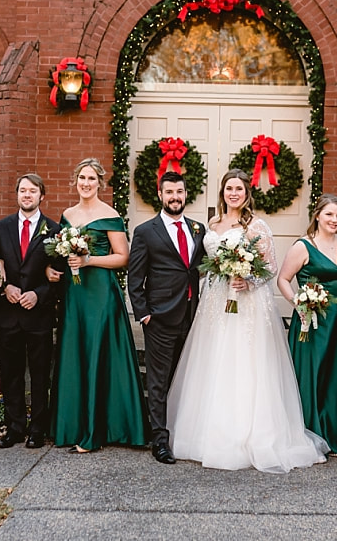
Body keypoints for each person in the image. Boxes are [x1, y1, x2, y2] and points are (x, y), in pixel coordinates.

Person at [166, 169, 327, 473]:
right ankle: (206, 432)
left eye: (239, 188)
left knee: (244, 361)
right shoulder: (211, 224)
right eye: (229, 188)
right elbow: (205, 265)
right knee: (213, 361)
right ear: (222, 192)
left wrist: (248, 280)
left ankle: (250, 435)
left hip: (246, 304)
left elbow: (269, 267)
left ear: (246, 193)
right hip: (215, 301)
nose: (234, 193)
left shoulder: (256, 225)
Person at [53, 158, 147, 453]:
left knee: (97, 353)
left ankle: (99, 430)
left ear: (99, 183)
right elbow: (58, 256)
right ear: (75, 180)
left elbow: (123, 257)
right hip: (75, 294)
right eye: (82, 178)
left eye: (92, 179)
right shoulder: (67, 215)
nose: (86, 183)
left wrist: (89, 260)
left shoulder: (110, 215)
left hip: (100, 295)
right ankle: (73, 426)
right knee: (75, 353)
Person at [276, 193, 337, 456]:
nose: (334, 220)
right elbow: (283, 279)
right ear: (317, 215)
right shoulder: (303, 247)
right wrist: (298, 303)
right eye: (329, 214)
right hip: (312, 323)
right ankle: (310, 435)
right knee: (313, 377)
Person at [127, 170, 206, 465]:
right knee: (158, 382)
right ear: (160, 195)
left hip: (193, 316)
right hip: (159, 318)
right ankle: (160, 440)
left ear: (186, 195)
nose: (175, 197)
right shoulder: (146, 231)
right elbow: (135, 277)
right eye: (169, 193)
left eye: (180, 192)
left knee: (186, 378)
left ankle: (184, 435)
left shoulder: (198, 229)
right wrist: (144, 314)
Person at [0, 173, 63, 449]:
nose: (27, 195)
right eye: (22, 190)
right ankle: (15, 427)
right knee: (10, 374)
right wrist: (5, 287)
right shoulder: (0, 228)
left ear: (41, 196)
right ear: (17, 194)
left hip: (38, 315)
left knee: (40, 373)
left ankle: (37, 429)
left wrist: (39, 294)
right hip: (8, 314)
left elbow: (61, 275)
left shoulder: (55, 231)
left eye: (32, 191)